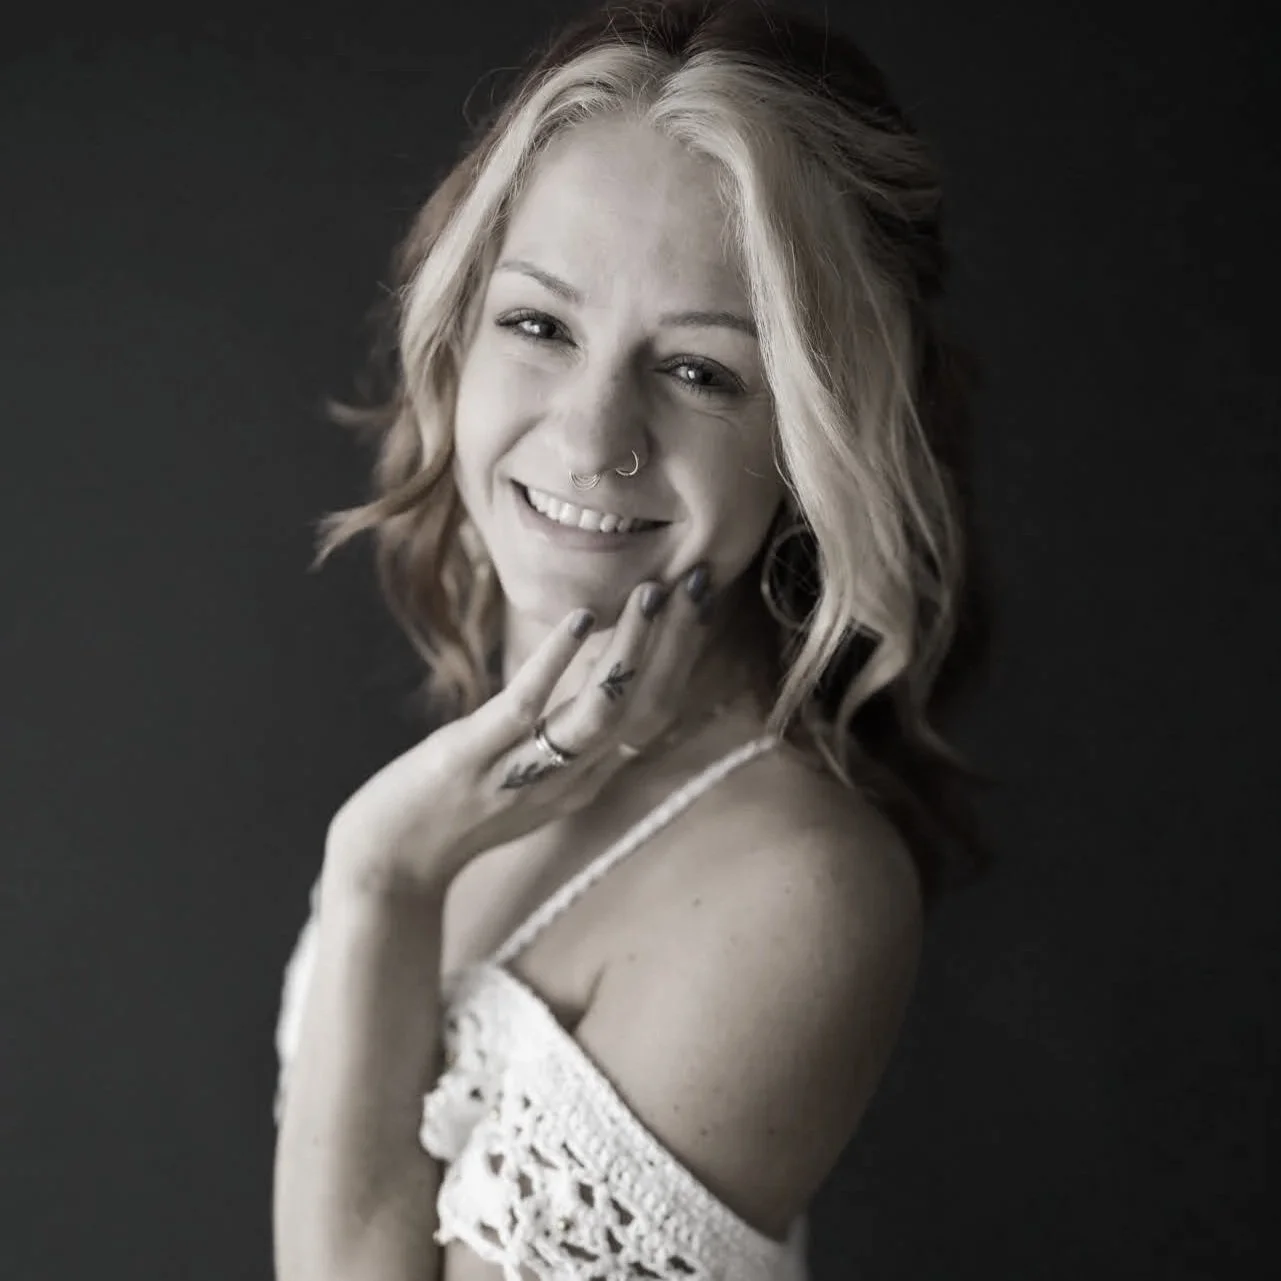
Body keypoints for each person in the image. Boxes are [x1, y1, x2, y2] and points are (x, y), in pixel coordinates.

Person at [271, 1, 996, 1277]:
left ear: (812, 437)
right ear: (457, 336)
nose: (594, 435)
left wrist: (379, 875)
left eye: (703, 372)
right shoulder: (508, 752)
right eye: (541, 325)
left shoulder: (797, 887)